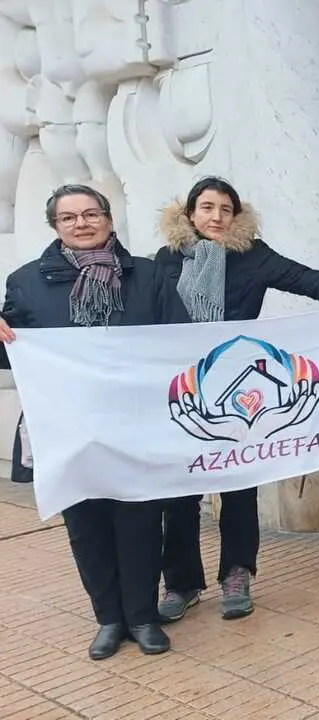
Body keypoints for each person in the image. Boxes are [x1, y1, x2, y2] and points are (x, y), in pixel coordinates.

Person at [154, 177, 319, 624]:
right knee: (180, 491)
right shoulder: (167, 259)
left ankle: (237, 575)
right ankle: (181, 583)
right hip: (185, 387)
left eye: (225, 209)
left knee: (238, 485)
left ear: (236, 215)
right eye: (207, 207)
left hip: (236, 388)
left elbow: (313, 282)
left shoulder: (253, 256)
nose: (216, 217)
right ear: (190, 213)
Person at [0, 185, 191, 659]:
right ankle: (109, 618)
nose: (81, 224)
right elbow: (13, 354)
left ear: (108, 219)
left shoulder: (147, 275)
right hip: (68, 428)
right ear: (55, 227)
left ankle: (142, 617)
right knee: (85, 526)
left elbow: (181, 339)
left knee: (140, 521)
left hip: (137, 422)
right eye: (69, 218)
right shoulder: (26, 282)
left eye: (91, 214)